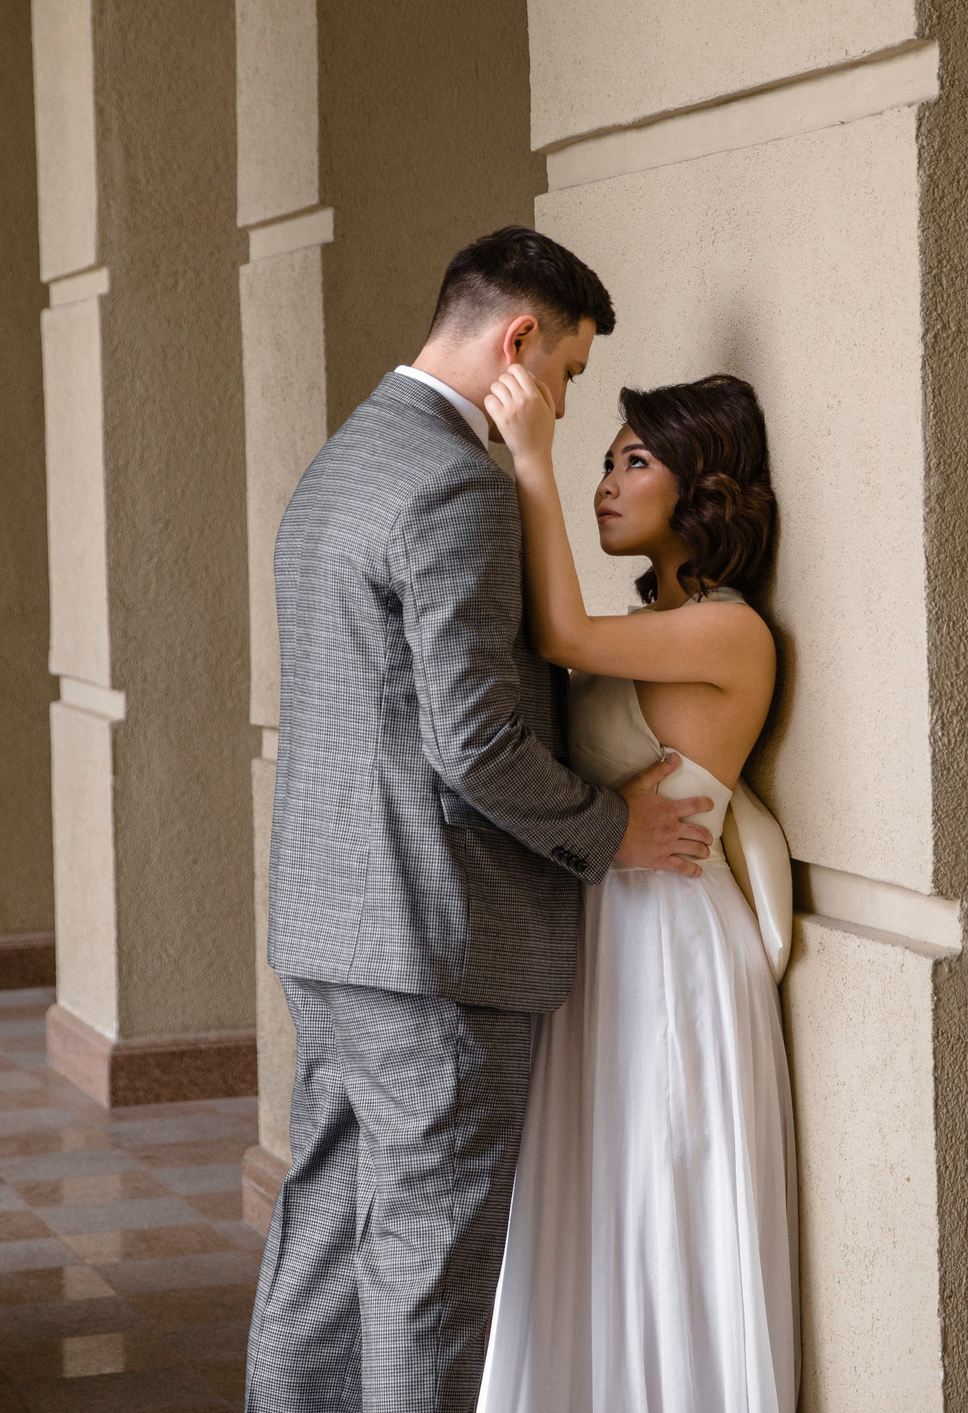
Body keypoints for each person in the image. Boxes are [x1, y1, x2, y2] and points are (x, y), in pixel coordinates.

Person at [243, 226, 718, 1413]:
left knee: (320, 1244)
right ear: (517, 342)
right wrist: (612, 830)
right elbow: (476, 742)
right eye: (567, 371)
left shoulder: (347, 457)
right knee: (427, 1276)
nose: (561, 398)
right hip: (438, 947)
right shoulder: (456, 480)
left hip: (331, 927)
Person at [473, 366, 800, 1413]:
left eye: (633, 461)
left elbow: (556, 635)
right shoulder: (653, 622)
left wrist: (529, 455)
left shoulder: (729, 630)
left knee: (666, 1190)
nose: (607, 483)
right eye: (607, 461)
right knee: (594, 1200)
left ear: (700, 487)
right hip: (602, 931)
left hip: (671, 947)